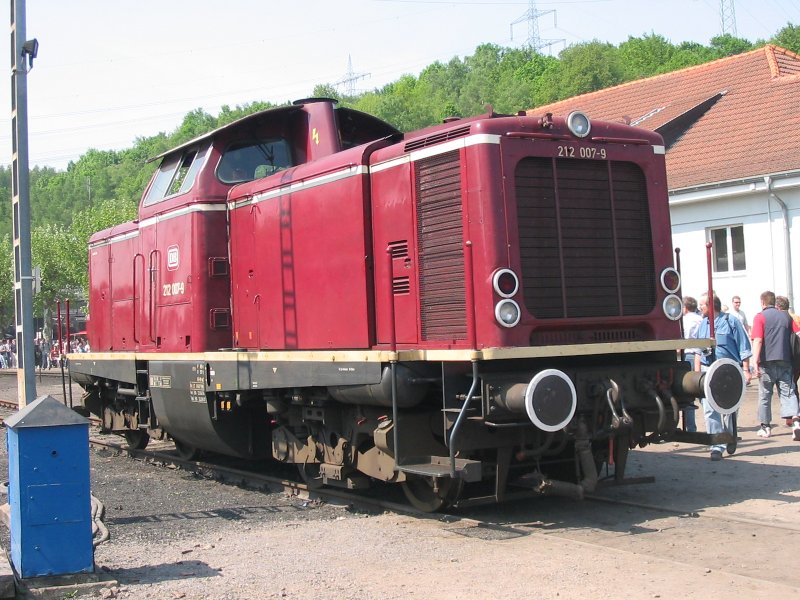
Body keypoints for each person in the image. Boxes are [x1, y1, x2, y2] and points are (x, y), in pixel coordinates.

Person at [693, 292, 752, 460]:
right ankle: (717, 445)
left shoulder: (730, 321)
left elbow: (743, 346)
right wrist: (697, 375)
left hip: (729, 372)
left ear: (711, 306)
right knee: (709, 409)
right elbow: (698, 352)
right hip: (708, 372)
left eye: (702, 305)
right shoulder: (702, 324)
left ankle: (729, 435)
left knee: (729, 408)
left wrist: (746, 370)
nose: (699, 308)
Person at [752, 291, 800, 440]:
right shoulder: (786, 317)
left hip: (767, 363)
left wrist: (755, 361)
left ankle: (765, 427)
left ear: (762, 302)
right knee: (789, 393)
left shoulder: (760, 317)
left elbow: (758, 340)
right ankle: (796, 423)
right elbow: (798, 334)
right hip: (785, 361)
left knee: (765, 395)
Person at [681, 296, 702, 432]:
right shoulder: (701, 319)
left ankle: (690, 427)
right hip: (700, 355)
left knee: (688, 392)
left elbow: (685, 338)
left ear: (685, 308)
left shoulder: (686, 320)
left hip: (689, 355)